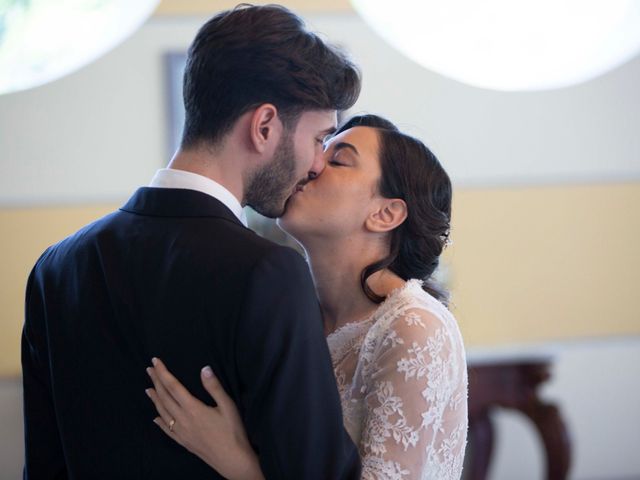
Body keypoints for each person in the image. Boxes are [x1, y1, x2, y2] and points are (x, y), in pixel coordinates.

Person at [21, 5, 362, 479]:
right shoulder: (268, 274)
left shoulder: (55, 268)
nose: (317, 165)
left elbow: (43, 468)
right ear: (264, 126)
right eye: (320, 138)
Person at [146, 114, 469, 479]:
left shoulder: (413, 328)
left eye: (338, 160)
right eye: (319, 150)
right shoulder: (295, 314)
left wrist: (230, 457)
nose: (313, 165)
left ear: (385, 213)